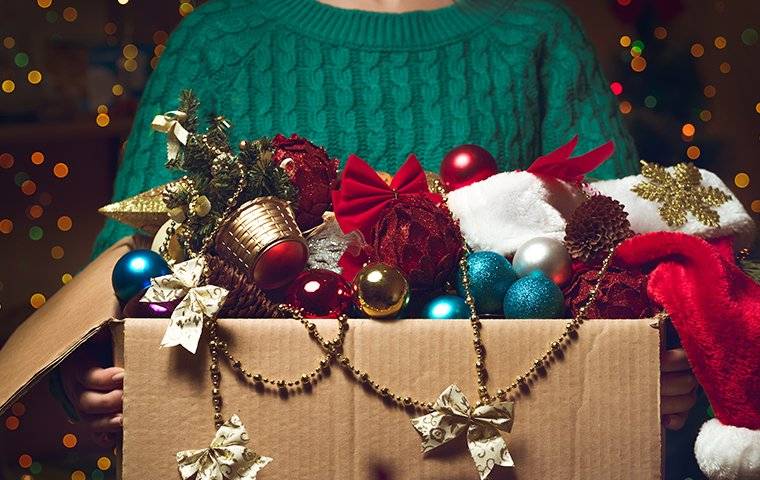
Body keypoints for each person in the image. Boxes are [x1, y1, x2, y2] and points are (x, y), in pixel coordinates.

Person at [61, 0, 699, 474]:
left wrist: (660, 363)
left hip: (505, 449)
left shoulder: (534, 32)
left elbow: (625, 248)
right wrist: (90, 377)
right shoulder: (220, 36)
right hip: (264, 444)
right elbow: (127, 263)